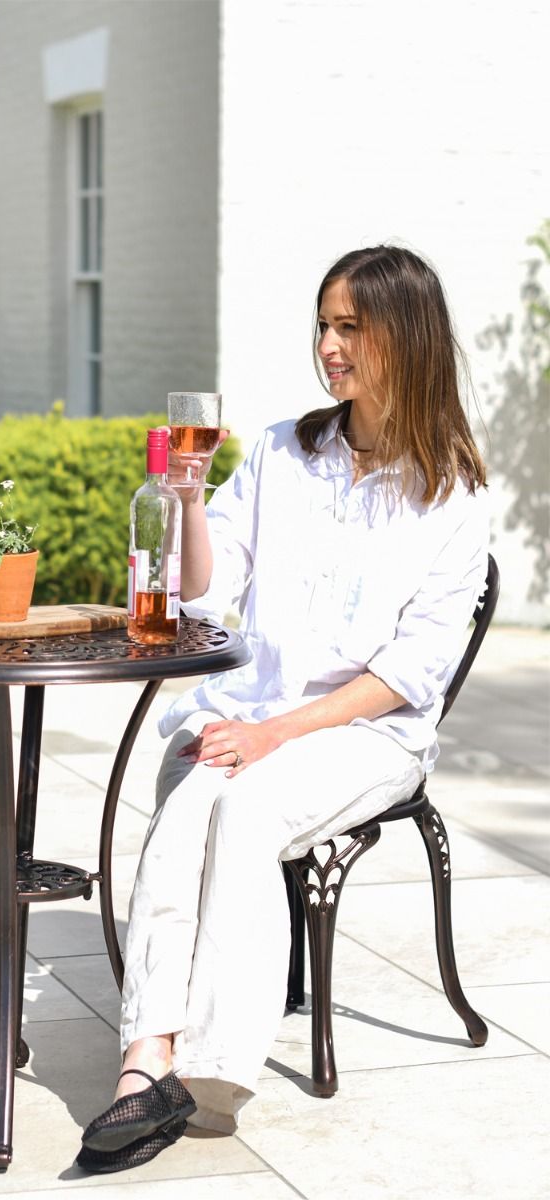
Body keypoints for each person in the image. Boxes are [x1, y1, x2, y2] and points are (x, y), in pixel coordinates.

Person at [76, 245, 490, 1173]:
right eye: (324, 324)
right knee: (193, 803)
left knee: (245, 803)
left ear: (405, 339)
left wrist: (273, 736)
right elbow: (200, 594)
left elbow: (411, 671)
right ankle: (149, 1063)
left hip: (365, 731)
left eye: (351, 327)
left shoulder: (452, 496)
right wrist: (184, 498)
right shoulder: (281, 451)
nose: (329, 345)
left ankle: (212, 1071)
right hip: (247, 711)